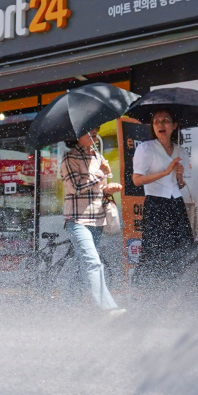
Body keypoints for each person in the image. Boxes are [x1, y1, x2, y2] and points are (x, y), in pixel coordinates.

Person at [61, 128, 126, 315]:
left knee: (85, 264)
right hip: (77, 220)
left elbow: (97, 189)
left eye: (95, 129)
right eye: (88, 130)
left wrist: (107, 190)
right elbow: (74, 187)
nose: (94, 133)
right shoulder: (69, 158)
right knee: (93, 263)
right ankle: (109, 308)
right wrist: (100, 173)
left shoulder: (97, 156)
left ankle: (71, 304)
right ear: (75, 135)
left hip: (97, 220)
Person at [131, 109, 195, 284]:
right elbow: (136, 180)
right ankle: (148, 291)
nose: (160, 124)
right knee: (155, 249)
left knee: (183, 248)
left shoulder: (181, 150)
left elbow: (180, 185)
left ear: (174, 126)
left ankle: (177, 291)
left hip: (176, 204)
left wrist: (179, 176)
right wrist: (165, 172)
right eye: (156, 121)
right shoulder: (146, 148)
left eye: (165, 120)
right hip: (156, 204)